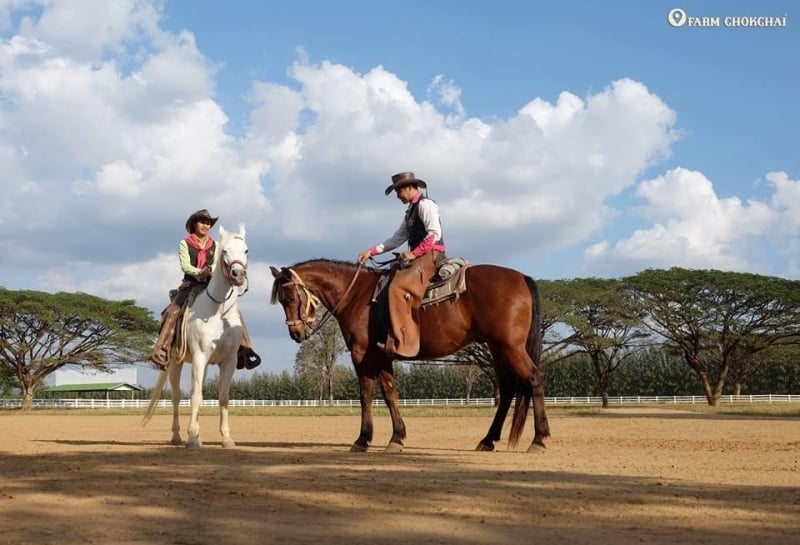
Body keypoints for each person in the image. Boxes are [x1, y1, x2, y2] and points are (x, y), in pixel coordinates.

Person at [148, 209, 261, 370]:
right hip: (191, 284)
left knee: (236, 312)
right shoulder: (184, 244)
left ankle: (245, 350)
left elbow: (217, 262)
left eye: (208, 223)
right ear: (194, 224)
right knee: (172, 311)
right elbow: (185, 266)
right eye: (202, 222)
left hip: (210, 284)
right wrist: (199, 271)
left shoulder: (215, 245)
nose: (206, 226)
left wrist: (212, 270)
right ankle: (162, 348)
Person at [357, 172, 447, 357]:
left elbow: (434, 234)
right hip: (420, 257)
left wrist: (413, 253)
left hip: (430, 256)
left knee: (397, 288)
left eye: (398, 192)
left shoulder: (425, 205)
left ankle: (403, 342)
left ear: (407, 188)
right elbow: (397, 239)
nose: (398, 197)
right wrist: (372, 251)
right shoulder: (410, 212)